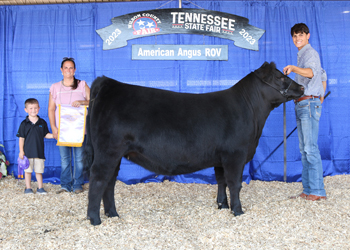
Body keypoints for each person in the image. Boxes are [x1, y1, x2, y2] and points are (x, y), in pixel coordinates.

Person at [283, 23, 327, 201]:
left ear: (308, 35)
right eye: (294, 36)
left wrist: (293, 68)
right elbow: (322, 75)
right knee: (304, 150)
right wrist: (321, 94)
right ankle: (308, 189)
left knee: (310, 149)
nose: (297, 38)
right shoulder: (303, 55)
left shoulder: (310, 53)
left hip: (308, 104)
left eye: (300, 34)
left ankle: (317, 191)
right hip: (303, 104)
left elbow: (311, 73)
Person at [48, 57, 90, 194]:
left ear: (75, 70)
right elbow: (51, 109)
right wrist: (53, 127)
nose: (68, 70)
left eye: (71, 67)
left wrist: (82, 102)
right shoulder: (55, 87)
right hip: (62, 130)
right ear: (61, 70)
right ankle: (65, 185)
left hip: (79, 130)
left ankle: (78, 185)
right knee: (65, 159)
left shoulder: (82, 85)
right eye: (65, 67)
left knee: (79, 159)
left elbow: (94, 101)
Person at [17, 98, 53, 194]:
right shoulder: (24, 124)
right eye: (31, 108)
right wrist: (21, 151)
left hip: (39, 153)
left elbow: (46, 134)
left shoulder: (42, 122)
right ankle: (28, 188)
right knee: (27, 172)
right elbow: (21, 138)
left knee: (39, 171)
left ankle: (40, 188)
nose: (33, 110)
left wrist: (54, 135)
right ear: (26, 110)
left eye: (35, 108)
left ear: (39, 108)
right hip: (27, 153)